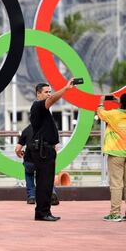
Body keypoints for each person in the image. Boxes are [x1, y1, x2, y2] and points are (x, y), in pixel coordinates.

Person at [28, 80, 73, 221]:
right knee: (44, 183)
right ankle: (42, 213)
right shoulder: (37, 106)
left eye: (50, 91)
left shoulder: (43, 109)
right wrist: (65, 88)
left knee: (46, 182)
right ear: (38, 94)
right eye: (46, 92)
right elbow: (52, 100)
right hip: (43, 151)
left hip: (47, 150)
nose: (49, 94)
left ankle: (45, 211)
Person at [97, 93, 126, 222]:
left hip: (116, 153)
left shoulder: (113, 114)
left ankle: (115, 214)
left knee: (116, 184)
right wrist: (121, 102)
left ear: (121, 103)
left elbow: (100, 112)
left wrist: (101, 101)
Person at [15, 124, 60, 205]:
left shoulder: (27, 130)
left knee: (29, 173)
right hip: (45, 160)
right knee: (47, 176)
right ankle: (52, 193)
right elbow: (55, 148)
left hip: (30, 161)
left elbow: (18, 149)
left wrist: (20, 154)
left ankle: (31, 197)